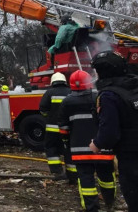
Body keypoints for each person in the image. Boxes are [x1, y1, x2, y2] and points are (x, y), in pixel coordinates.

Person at [59, 70, 115, 212]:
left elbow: (64, 127)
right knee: (107, 176)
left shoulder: (67, 102)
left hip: (79, 149)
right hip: (102, 146)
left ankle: (91, 208)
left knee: (85, 179)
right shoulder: (100, 97)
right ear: (89, 83)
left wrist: (66, 141)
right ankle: (109, 201)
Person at [89, 51, 138, 211]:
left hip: (130, 155)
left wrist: (96, 144)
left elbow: (110, 132)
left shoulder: (109, 95)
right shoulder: (133, 86)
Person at [39, 72, 75, 182]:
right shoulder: (71, 92)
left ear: (52, 82)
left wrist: (49, 117)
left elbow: (43, 109)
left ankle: (57, 172)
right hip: (68, 129)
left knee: (51, 149)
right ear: (65, 81)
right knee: (68, 150)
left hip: (52, 129)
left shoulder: (49, 93)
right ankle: (72, 175)